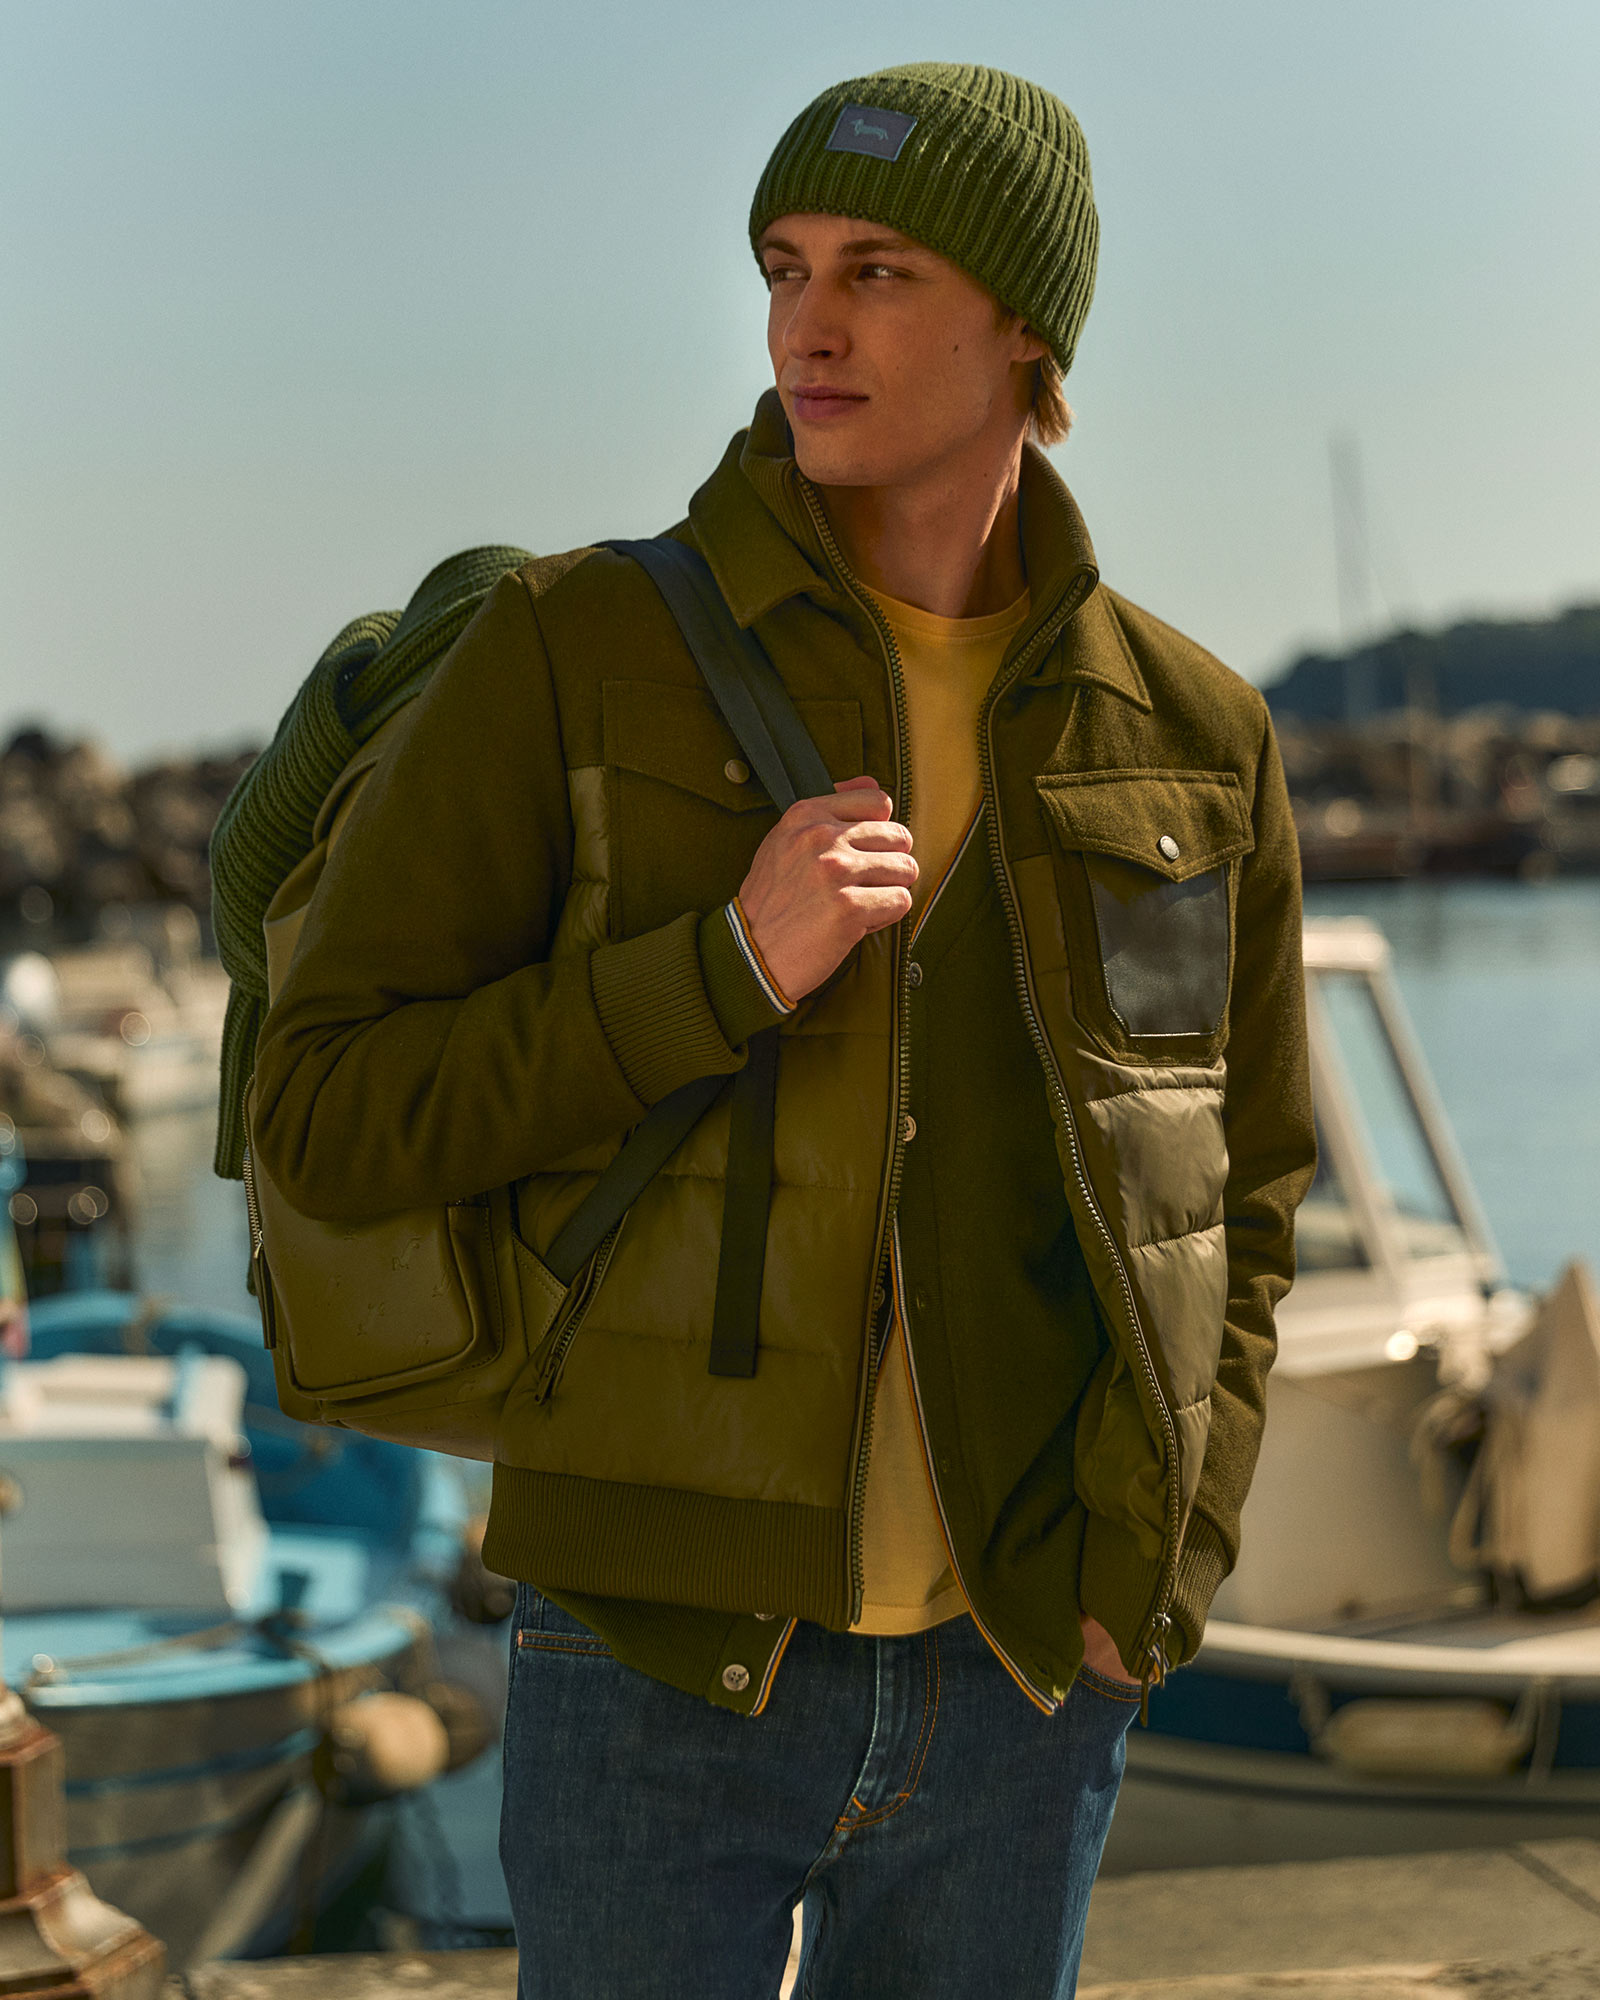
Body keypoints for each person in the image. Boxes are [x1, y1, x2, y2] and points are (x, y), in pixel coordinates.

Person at [251, 61, 1316, 2000]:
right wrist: (718, 966)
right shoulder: (573, 648)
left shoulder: (1184, 726)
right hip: (652, 1652)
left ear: (1025, 325)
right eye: (781, 263)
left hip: (1020, 1677)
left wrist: (1153, 1558)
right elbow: (322, 1106)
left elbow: (1239, 1192)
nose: (804, 323)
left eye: (880, 270)